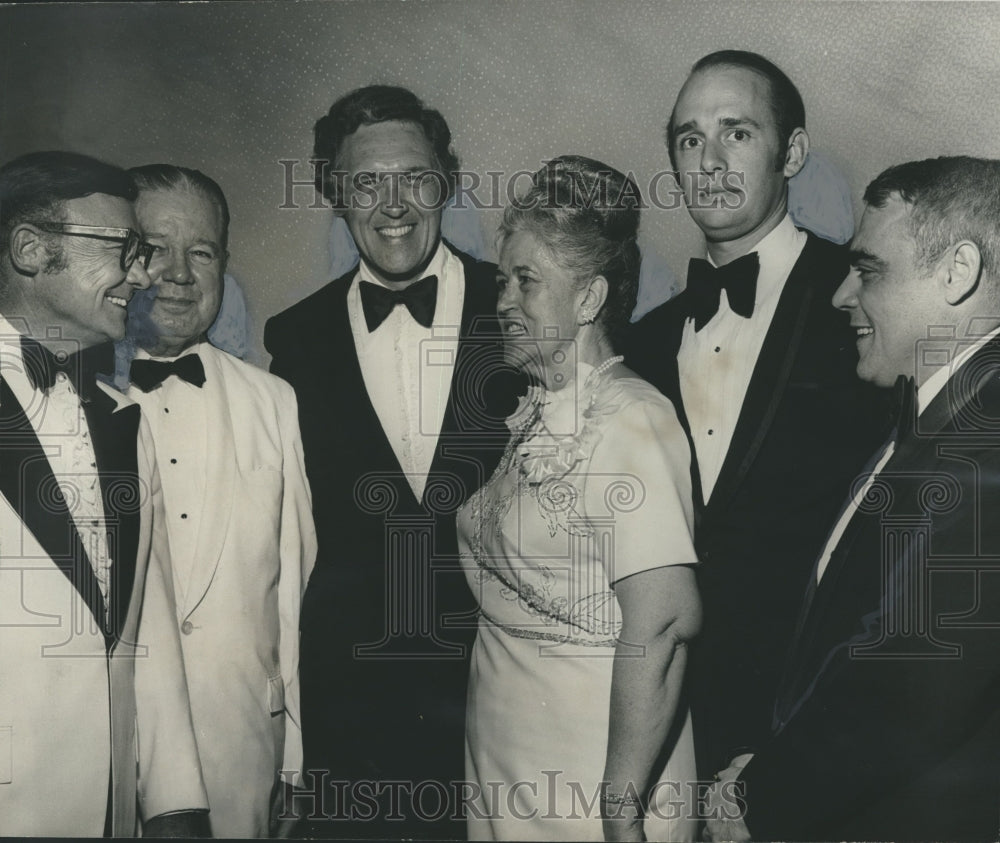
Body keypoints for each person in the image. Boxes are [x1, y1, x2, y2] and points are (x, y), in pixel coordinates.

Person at [704, 156, 1000, 842]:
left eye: (869, 271)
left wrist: (758, 796)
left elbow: (910, 677)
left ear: (958, 273)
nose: (842, 294)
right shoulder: (941, 421)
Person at [625, 50, 890, 779]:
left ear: (792, 152)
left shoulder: (865, 306)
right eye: (688, 138)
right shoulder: (641, 341)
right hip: (668, 732)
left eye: (736, 133)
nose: (708, 160)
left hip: (816, 732)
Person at [264, 85, 514, 838]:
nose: (393, 202)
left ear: (446, 181)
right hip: (354, 721)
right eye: (366, 181)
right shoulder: (295, 339)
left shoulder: (519, 313)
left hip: (504, 702)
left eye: (413, 176)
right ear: (336, 195)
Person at [458, 156, 700, 842]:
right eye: (503, 278)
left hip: (588, 777)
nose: (503, 299)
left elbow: (663, 623)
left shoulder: (632, 418)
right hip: (509, 761)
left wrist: (620, 808)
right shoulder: (534, 412)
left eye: (526, 281)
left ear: (589, 300)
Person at [0, 150, 209, 836]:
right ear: (30, 250)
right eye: (125, 248)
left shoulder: (124, 422)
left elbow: (146, 635)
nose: (144, 274)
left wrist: (177, 805)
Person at [122, 164, 317, 837]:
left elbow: (290, 595)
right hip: (110, 758)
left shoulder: (274, 401)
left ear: (223, 265)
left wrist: (292, 759)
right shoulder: (67, 396)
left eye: (200, 251)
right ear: (121, 255)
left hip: (241, 758)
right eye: (154, 249)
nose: (179, 273)